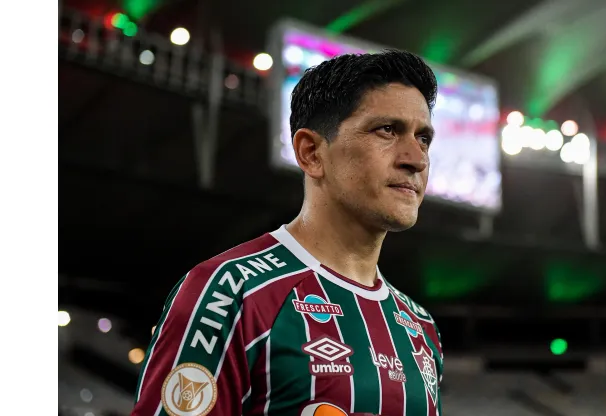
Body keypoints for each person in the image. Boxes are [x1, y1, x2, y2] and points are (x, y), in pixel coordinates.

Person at [132, 49, 444, 416]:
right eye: (387, 130)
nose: (417, 159)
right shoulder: (229, 293)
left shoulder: (419, 326)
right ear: (311, 152)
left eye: (423, 138)